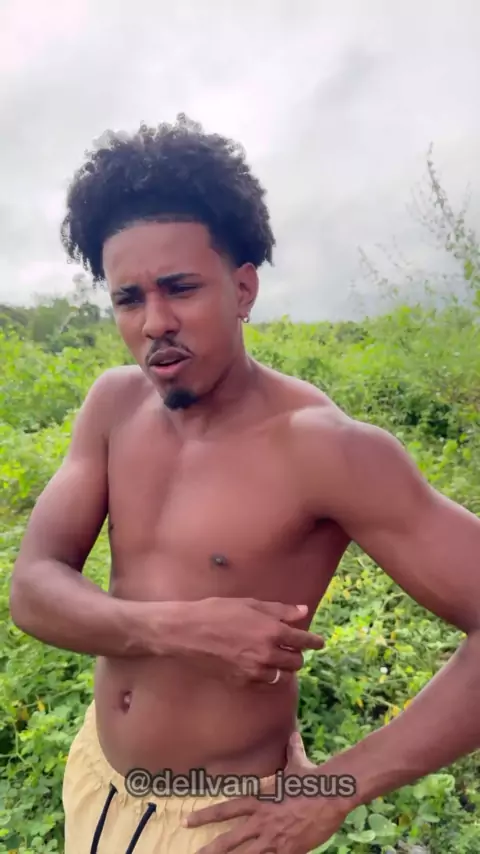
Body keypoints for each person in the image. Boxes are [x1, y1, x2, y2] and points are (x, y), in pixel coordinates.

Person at [9, 114, 480, 854]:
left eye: (179, 288)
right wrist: (177, 628)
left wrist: (331, 790)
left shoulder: (325, 449)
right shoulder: (113, 406)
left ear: (243, 288)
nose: (154, 322)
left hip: (221, 826)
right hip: (96, 778)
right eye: (129, 298)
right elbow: (33, 588)